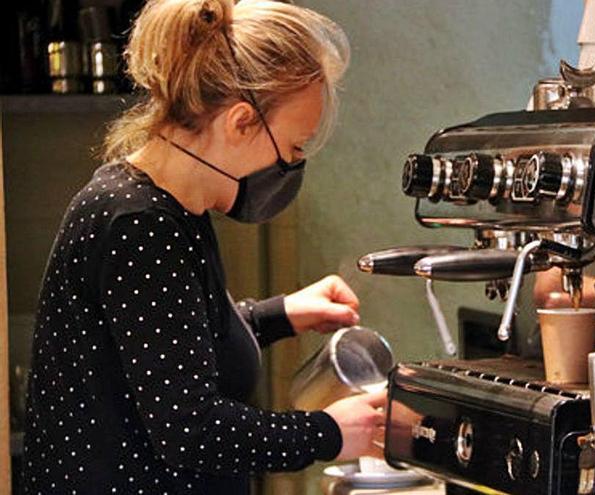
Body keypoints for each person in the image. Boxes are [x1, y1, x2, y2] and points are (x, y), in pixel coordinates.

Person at [22, 0, 385, 492]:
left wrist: (281, 314)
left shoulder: (171, 208)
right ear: (239, 123)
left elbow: (172, 343)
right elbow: (192, 430)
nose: (294, 166)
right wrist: (330, 433)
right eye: (294, 148)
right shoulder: (139, 223)